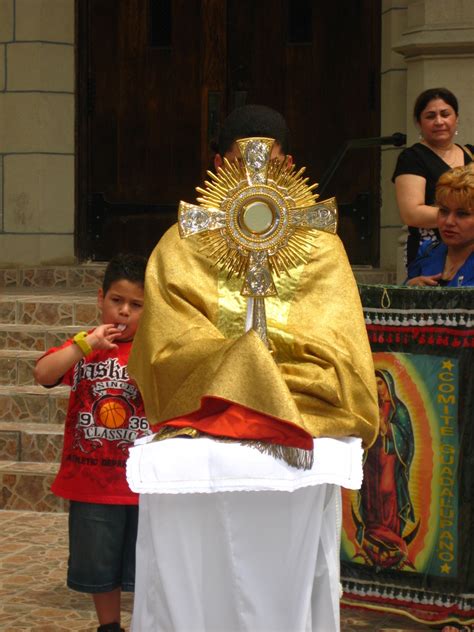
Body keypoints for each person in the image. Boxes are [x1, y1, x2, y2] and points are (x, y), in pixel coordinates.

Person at [127, 105, 379, 631]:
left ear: (289, 164)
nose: (256, 179)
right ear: (216, 165)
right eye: (241, 165)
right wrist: (247, 360)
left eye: (268, 164)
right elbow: (167, 345)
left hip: (302, 412)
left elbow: (337, 344)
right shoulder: (184, 240)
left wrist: (258, 357)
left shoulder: (319, 243)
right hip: (205, 413)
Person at [34, 254, 155, 632]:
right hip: (91, 482)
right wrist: (84, 346)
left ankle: (147, 623)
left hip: (142, 482)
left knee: (147, 562)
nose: (124, 312)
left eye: (137, 305)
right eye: (116, 300)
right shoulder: (84, 347)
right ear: (100, 297)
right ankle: (109, 626)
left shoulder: (155, 353)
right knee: (99, 566)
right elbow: (43, 373)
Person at [392, 87, 473, 267]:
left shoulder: (471, 153)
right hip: (431, 252)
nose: (439, 121)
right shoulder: (412, 158)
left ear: (456, 118)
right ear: (419, 123)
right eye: (430, 116)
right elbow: (411, 213)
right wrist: (463, 216)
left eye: (445, 114)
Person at [354, 369, 416, 570]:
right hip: (370, 459)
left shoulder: (399, 410)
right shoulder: (369, 405)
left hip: (389, 460)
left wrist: (387, 429)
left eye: (380, 383)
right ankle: (373, 536)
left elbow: (406, 441)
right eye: (374, 383)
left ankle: (393, 541)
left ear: (388, 385)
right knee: (370, 495)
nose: (377, 388)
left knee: (387, 492)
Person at [406, 163, 474, 287]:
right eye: (443, 211)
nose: (449, 221)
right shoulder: (427, 251)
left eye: (462, 214)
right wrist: (409, 289)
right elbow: (391, 301)